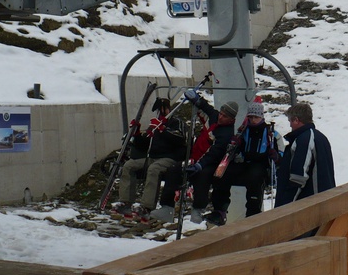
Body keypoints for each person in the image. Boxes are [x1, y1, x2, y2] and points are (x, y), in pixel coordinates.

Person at [206, 100, 282, 225]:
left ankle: (253, 214)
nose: (253, 120)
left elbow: (280, 158)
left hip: (260, 164)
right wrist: (234, 146)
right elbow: (237, 148)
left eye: (256, 117)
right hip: (245, 162)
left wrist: (275, 155)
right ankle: (219, 210)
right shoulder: (244, 130)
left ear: (261, 117)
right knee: (223, 174)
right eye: (250, 117)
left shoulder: (269, 133)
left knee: (255, 178)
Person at [114, 97, 187, 222]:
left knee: (154, 169)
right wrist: (137, 134)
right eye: (158, 110)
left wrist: (163, 129)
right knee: (129, 165)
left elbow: (180, 139)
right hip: (153, 157)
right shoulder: (155, 125)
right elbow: (145, 144)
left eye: (162, 110)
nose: (160, 113)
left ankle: (147, 207)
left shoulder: (176, 122)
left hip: (170, 158)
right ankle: (126, 202)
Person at [182, 89, 238, 224]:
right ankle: (166, 205)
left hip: (210, 162)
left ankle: (201, 209)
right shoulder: (216, 117)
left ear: (231, 119)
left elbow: (215, 152)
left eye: (224, 116)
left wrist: (200, 164)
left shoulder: (226, 133)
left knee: (204, 176)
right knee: (175, 169)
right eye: (221, 113)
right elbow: (207, 108)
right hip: (196, 156)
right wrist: (197, 100)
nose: (220, 116)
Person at [276, 102, 335, 208]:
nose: (289, 125)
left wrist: (285, 206)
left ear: (296, 120)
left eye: (290, 121)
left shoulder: (304, 140)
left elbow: (298, 177)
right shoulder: (320, 137)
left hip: (310, 206)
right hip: (325, 200)